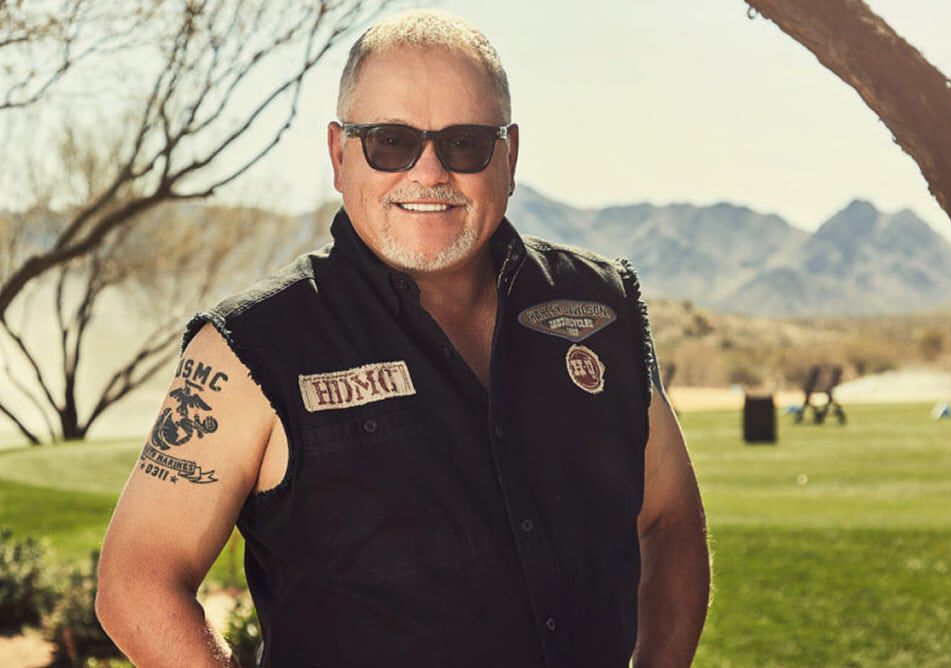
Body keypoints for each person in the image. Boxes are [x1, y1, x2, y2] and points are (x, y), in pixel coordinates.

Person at [96, 9, 710, 667]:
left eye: (465, 143)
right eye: (390, 141)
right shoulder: (251, 347)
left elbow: (669, 520)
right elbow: (136, 581)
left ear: (510, 154)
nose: (428, 172)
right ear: (338, 153)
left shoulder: (601, 305)